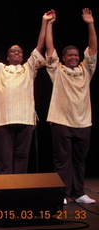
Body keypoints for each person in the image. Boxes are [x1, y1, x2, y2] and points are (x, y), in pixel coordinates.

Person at [0, 11, 54, 174]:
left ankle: (19, 191)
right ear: (7, 56)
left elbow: (40, 46)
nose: (17, 53)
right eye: (13, 52)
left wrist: (44, 22)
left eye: (19, 52)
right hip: (4, 119)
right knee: (5, 158)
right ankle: (6, 192)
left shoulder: (28, 67)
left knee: (22, 156)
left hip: (25, 119)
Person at [45, 8, 97, 204]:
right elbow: (50, 49)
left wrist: (90, 23)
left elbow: (92, 49)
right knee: (62, 160)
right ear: (65, 58)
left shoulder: (86, 70)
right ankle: (63, 193)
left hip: (83, 121)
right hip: (61, 120)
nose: (74, 57)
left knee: (79, 160)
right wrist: (49, 24)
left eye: (76, 55)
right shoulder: (57, 71)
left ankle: (79, 192)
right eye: (71, 55)